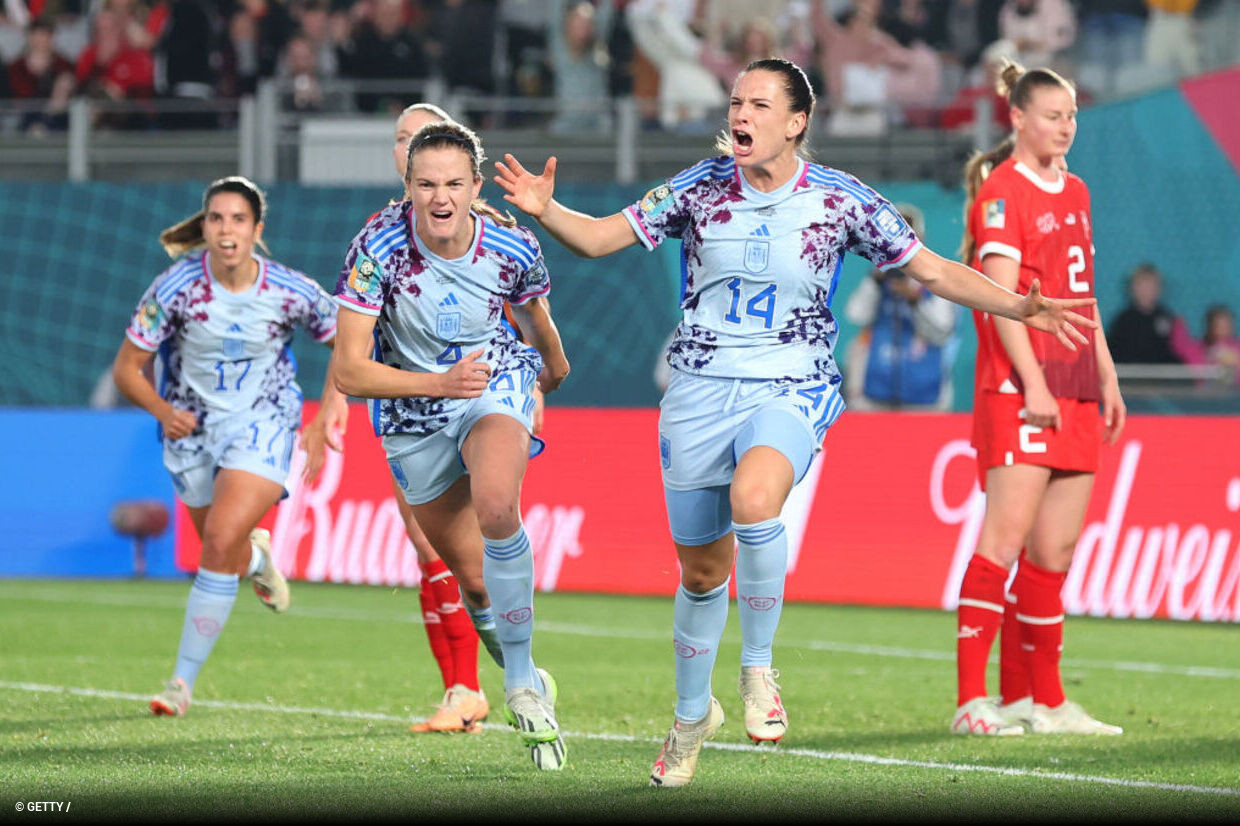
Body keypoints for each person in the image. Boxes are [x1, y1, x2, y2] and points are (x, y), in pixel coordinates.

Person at [492, 56, 1097, 787]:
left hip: (790, 383)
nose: (740, 115)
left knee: (756, 498)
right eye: (736, 101)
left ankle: (757, 671)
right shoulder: (698, 189)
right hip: (697, 392)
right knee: (701, 572)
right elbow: (597, 239)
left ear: (796, 121)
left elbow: (933, 271)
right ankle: (690, 719)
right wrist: (545, 208)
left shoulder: (840, 201)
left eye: (758, 104)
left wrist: (1021, 305)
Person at [331, 120, 572, 770]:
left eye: (454, 184)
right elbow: (349, 371)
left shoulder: (510, 245)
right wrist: (436, 382)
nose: (441, 197)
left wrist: (552, 369)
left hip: (493, 387)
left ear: (473, 188)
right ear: (408, 187)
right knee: (473, 580)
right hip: (413, 417)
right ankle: (524, 670)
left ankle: (521, 687)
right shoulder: (377, 248)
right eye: (427, 183)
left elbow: (535, 317)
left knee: (497, 506)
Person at [111, 175, 348, 717]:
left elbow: (348, 342)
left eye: (238, 219)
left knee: (218, 538)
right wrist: (163, 412)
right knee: (226, 552)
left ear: (256, 229)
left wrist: (330, 409)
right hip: (192, 430)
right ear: (205, 227)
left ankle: (180, 683)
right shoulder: (174, 289)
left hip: (263, 424)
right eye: (216, 219)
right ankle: (259, 556)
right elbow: (127, 369)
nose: (226, 229)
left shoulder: (289, 290)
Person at [952, 58, 1127, 738]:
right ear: (1018, 119)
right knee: (1004, 539)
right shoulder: (1000, 193)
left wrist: (1105, 376)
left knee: (1054, 553)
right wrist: (1033, 384)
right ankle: (973, 701)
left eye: (1072, 116)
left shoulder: (1077, 191)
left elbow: (1082, 296)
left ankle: (1042, 701)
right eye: (1053, 116)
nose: (1066, 128)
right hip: (1021, 389)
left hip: (1077, 385)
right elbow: (1001, 303)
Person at [843, 202, 959, 411]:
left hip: (924, 391)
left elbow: (943, 329)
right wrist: (876, 280)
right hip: (875, 390)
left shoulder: (934, 279)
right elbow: (855, 315)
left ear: (920, 239)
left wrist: (915, 299)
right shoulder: (879, 278)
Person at [1106, 262, 1186, 365]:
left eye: (1151, 285)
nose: (1146, 290)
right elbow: (1112, 352)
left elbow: (1177, 350)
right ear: (1132, 288)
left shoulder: (1167, 318)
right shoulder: (1124, 321)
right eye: (1142, 285)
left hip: (1161, 377)